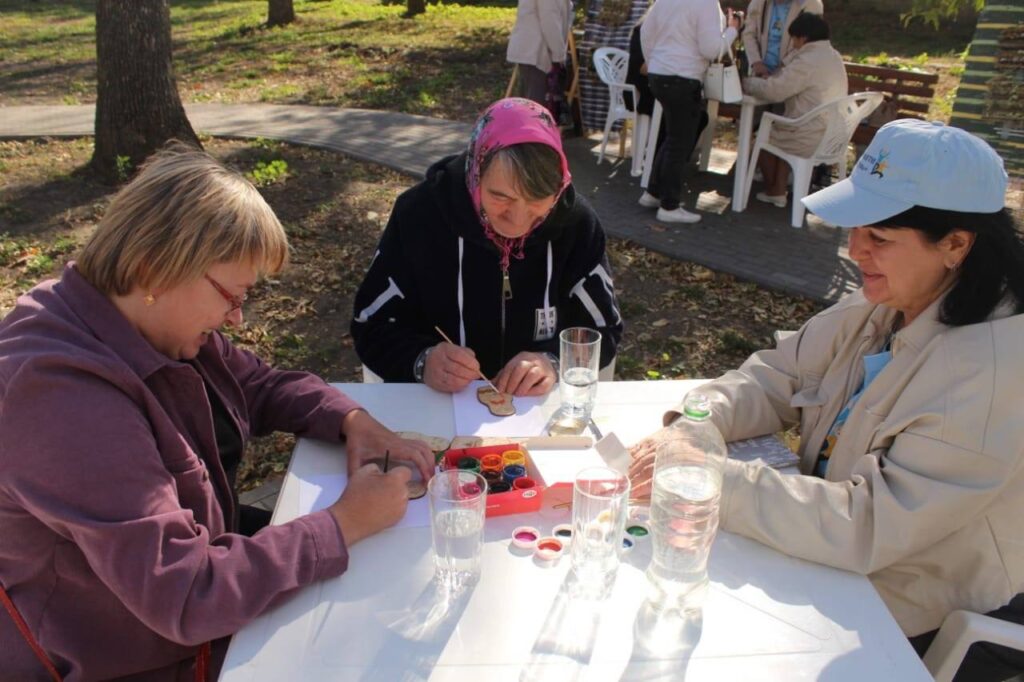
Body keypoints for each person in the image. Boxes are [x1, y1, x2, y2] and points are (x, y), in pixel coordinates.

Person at [0, 143, 435, 681]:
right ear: (155, 268)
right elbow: (187, 594)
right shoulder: (61, 402)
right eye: (231, 295)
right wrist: (344, 523)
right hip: (133, 659)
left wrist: (353, 421)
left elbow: (259, 383)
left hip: (198, 600)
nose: (237, 316)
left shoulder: (139, 314)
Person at [629, 120, 1024, 680]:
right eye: (856, 226)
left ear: (956, 244)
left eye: (880, 238)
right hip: (838, 566)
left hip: (920, 611)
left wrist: (714, 477)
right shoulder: (886, 304)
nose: (855, 248)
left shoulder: (992, 373)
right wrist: (697, 425)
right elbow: (773, 375)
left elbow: (868, 528)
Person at [351, 98, 622, 397]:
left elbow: (604, 330)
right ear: (476, 173)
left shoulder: (576, 224)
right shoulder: (419, 215)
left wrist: (551, 362)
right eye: (500, 197)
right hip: (432, 409)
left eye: (536, 204)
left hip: (535, 414)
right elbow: (370, 325)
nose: (517, 220)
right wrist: (421, 360)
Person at [638, 0, 742, 224]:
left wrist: (653, 61)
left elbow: (645, 33)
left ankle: (654, 193)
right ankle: (669, 205)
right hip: (683, 77)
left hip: (659, 75)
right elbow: (711, 49)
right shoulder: (706, 4)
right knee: (679, 142)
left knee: (673, 138)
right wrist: (732, 29)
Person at [741, 11, 847, 207]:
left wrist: (748, 83)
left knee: (761, 140)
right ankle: (778, 191)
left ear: (803, 38)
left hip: (810, 133)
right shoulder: (833, 56)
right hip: (833, 133)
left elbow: (776, 91)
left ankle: (774, 190)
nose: (792, 45)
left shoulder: (807, 60)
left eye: (794, 39)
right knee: (782, 129)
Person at [507, 0, 574, 106]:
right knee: (535, 107)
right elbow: (550, 22)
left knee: (530, 104)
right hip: (535, 53)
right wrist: (559, 55)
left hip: (534, 52)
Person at [741, 0, 823, 77]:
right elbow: (748, 34)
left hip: (793, 74)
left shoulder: (812, 5)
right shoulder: (758, 3)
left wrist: (783, 67)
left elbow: (808, 44)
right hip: (760, 75)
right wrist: (756, 62)